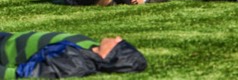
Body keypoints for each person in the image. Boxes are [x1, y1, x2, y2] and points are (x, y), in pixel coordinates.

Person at [0, 32, 147, 77]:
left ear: (110, 55)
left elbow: (22, 76)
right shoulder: (90, 47)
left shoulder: (75, 63)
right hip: (8, 38)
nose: (118, 38)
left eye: (119, 44)